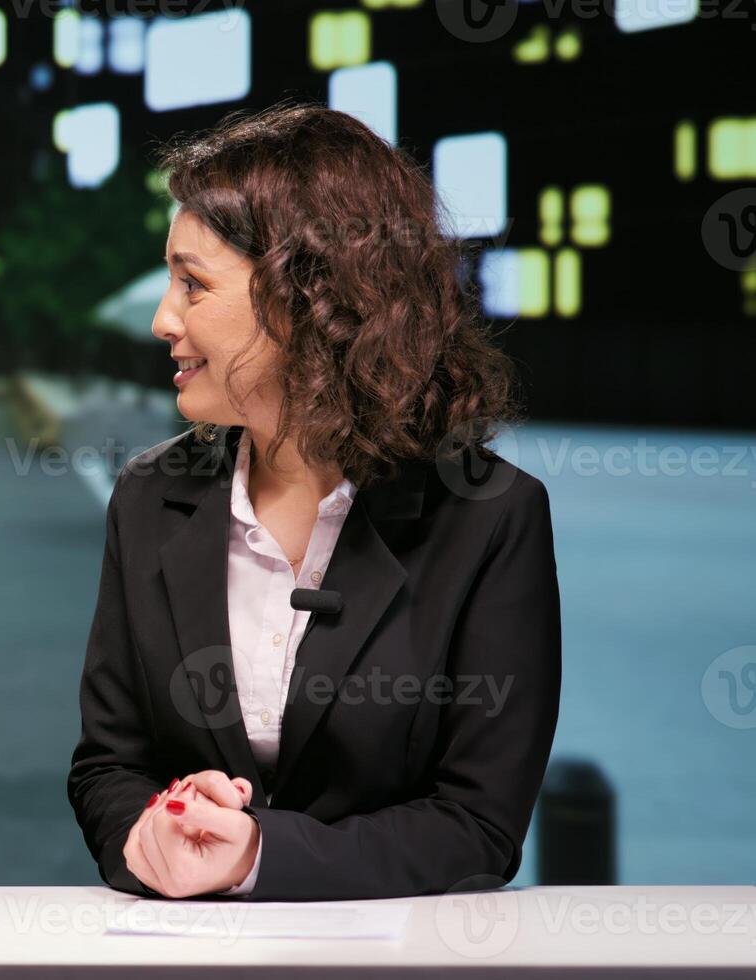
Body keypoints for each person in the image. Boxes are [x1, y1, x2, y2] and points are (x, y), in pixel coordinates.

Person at [68, 103, 562, 900]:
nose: (164, 319)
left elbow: (477, 827)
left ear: (306, 297)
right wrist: (151, 832)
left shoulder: (489, 518)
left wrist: (258, 855)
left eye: (193, 285)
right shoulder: (148, 497)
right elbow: (108, 765)